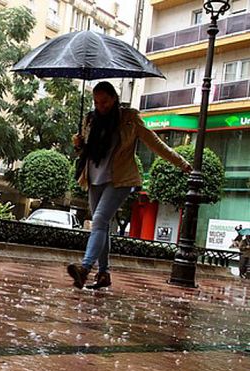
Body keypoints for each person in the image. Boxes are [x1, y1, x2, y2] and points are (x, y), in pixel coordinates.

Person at [67, 81, 193, 289]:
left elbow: (154, 142)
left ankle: (85, 268)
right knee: (103, 225)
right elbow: (86, 152)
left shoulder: (129, 118)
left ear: (114, 98)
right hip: (94, 178)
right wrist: (79, 145)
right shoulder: (89, 120)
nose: (101, 106)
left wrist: (181, 162)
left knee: (98, 220)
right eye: (97, 102)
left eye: (105, 102)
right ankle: (104, 273)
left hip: (120, 179)